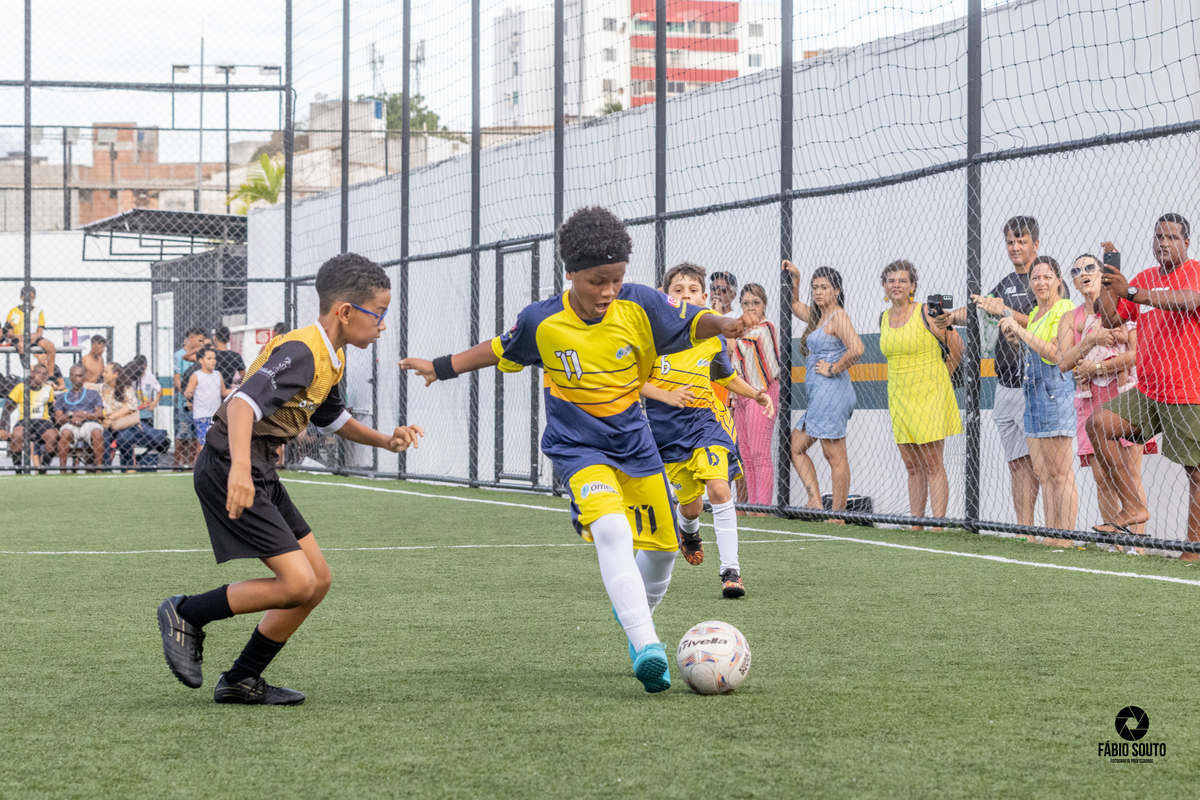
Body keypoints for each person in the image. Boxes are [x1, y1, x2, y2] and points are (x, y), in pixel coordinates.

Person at [401, 206, 756, 693]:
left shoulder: (643, 304)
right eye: (596, 282)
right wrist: (441, 367)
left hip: (636, 445)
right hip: (578, 448)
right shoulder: (543, 321)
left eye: (616, 279)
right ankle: (646, 644)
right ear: (570, 274)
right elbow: (499, 348)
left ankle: (634, 614)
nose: (608, 291)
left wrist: (728, 324)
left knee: (665, 550)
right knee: (612, 530)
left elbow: (694, 321)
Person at [157, 252, 424, 705]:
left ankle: (241, 679)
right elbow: (241, 405)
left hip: (255, 464)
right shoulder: (303, 350)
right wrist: (240, 469)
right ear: (345, 312)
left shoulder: (329, 355)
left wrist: (386, 441)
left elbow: (332, 417)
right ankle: (186, 612)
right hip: (230, 461)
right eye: (378, 314)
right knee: (297, 583)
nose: (382, 324)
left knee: (316, 580)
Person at [639, 262, 775, 599]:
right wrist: (666, 395)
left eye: (693, 290)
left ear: (703, 296)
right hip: (667, 433)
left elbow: (724, 376)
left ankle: (731, 571)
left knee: (718, 488)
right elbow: (632, 381)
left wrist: (755, 394)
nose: (686, 296)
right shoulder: (652, 336)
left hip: (705, 423)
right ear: (665, 296)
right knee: (692, 507)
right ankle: (689, 531)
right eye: (678, 291)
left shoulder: (710, 336)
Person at [1088, 214, 1200, 548]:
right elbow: (1110, 316)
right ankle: (1134, 507)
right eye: (1158, 237)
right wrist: (1109, 282)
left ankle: (1193, 552)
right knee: (1099, 425)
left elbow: (1191, 299)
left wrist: (1133, 291)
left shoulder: (1193, 269)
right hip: (1149, 392)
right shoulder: (1142, 277)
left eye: (1171, 237)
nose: (1163, 243)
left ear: (1186, 243)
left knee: (1195, 474)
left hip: (1187, 391)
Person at [946, 217, 1042, 527]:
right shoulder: (1004, 283)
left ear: (1035, 245)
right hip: (1004, 386)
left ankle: (1057, 533)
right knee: (1018, 464)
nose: (1015, 248)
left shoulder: (1045, 279)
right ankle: (1023, 531)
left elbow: (1046, 323)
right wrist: (949, 317)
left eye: (1022, 241)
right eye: (1010, 243)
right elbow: (978, 309)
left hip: (1035, 386)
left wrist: (1004, 310)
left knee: (1042, 465)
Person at [1058, 250, 1152, 536]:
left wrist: (1096, 367)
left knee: (1129, 472)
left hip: (1124, 394)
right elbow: (1064, 362)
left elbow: (1137, 356)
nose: (1083, 273)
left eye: (1089, 267)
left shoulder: (1122, 307)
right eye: (1076, 271)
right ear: (1073, 282)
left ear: (1101, 273)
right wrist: (1091, 342)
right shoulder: (1070, 318)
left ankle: (1137, 544)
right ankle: (1116, 542)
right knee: (1102, 476)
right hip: (1090, 400)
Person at [879, 260, 962, 528]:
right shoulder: (883, 317)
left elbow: (957, 347)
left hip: (929, 395)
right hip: (899, 397)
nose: (896, 285)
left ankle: (937, 525)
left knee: (932, 464)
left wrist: (941, 377)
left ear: (913, 286)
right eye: (891, 280)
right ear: (884, 286)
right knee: (912, 466)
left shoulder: (926, 312)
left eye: (903, 281)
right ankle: (916, 524)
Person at [998, 256, 1078, 531]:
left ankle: (1064, 536)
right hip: (1031, 395)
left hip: (1054, 393)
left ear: (1058, 279)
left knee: (1061, 474)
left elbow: (1056, 355)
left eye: (1047, 277)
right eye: (1035, 278)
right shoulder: (1035, 314)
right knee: (1044, 474)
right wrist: (1016, 340)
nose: (1041, 283)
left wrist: (1020, 331)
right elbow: (1035, 351)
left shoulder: (1065, 309)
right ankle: (1051, 533)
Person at [783, 261, 863, 522]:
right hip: (819, 395)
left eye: (824, 287)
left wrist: (833, 368)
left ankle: (838, 515)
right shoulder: (819, 316)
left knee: (834, 453)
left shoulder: (838, 316)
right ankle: (815, 501)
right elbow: (795, 306)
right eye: (815, 287)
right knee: (796, 446)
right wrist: (796, 279)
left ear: (836, 290)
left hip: (833, 392)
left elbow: (857, 349)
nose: (818, 292)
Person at [729, 282, 780, 515]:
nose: (751, 307)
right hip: (742, 394)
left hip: (762, 393)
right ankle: (752, 508)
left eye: (756, 303)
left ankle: (763, 509)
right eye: (746, 303)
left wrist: (728, 336)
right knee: (746, 455)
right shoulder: (740, 331)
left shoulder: (765, 328)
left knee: (760, 453)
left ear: (764, 305)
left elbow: (738, 348)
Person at [0, 362, 58, 470]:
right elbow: (7, 408)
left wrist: (56, 426)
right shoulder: (21, 387)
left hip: (42, 420)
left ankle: (42, 469)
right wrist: (2, 428)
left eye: (45, 374)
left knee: (53, 437)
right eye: (38, 372)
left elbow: (51, 411)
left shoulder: (48, 389)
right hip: (24, 420)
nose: (41, 375)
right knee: (16, 436)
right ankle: (18, 469)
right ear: (32, 373)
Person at [54, 363, 105, 473]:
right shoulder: (61, 396)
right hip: (70, 423)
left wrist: (85, 415)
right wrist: (71, 416)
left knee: (97, 432)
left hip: (89, 422)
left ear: (85, 376)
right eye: (74, 375)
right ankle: (63, 471)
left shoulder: (93, 393)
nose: (77, 379)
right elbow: (58, 418)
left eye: (80, 375)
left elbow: (100, 413)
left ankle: (99, 470)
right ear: (70, 377)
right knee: (65, 433)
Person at [173, 327, 207, 468]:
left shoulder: (200, 355)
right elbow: (177, 381)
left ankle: (191, 464)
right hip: (185, 403)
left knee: (195, 435)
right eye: (200, 340)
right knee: (183, 433)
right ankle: (175, 465)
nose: (202, 343)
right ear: (191, 337)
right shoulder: (179, 355)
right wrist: (187, 399)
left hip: (199, 403)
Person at [3, 286, 57, 374]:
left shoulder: (38, 311)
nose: (28, 300)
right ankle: (29, 373)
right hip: (19, 337)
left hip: (33, 336)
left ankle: (50, 375)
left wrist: (35, 336)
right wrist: (17, 336)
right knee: (21, 346)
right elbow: (9, 332)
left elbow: (40, 332)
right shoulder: (14, 312)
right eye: (26, 297)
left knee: (50, 346)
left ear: (34, 298)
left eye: (31, 297)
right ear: (21, 297)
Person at [185, 347, 231, 450]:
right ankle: (203, 465)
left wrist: (238, 389)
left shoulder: (218, 374)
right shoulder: (196, 375)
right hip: (202, 416)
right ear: (201, 360)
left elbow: (223, 392)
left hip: (216, 416)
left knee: (217, 445)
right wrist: (188, 394)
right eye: (209, 358)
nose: (213, 361)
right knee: (204, 445)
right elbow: (188, 392)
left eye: (214, 358)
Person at [100, 361, 143, 472]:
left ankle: (128, 468)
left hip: (123, 424)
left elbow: (129, 407)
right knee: (102, 437)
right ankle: (106, 469)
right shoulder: (101, 389)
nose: (103, 374)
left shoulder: (126, 389)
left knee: (124, 437)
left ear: (115, 374)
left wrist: (111, 417)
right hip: (107, 426)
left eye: (106, 372)